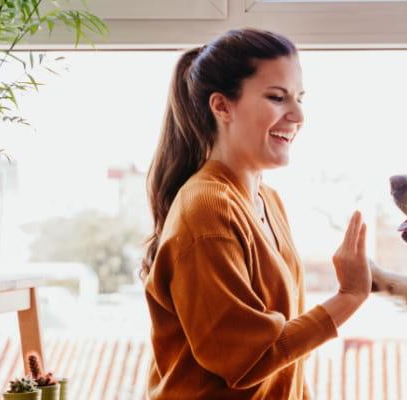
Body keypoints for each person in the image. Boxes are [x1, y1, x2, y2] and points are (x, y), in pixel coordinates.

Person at [141, 28, 372, 399]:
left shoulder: (267, 199)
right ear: (222, 106)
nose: (298, 115)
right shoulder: (206, 212)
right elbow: (247, 359)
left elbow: (282, 361)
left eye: (299, 98)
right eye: (277, 98)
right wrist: (349, 296)